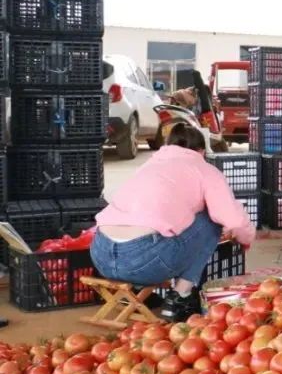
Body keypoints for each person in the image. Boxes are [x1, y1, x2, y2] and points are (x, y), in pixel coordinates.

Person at [91, 123, 256, 321]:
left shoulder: (148, 165)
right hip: (144, 262)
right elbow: (235, 221)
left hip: (101, 257)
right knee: (212, 221)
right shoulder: (203, 169)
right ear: (201, 151)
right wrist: (245, 240)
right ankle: (180, 296)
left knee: (153, 223)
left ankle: (135, 292)